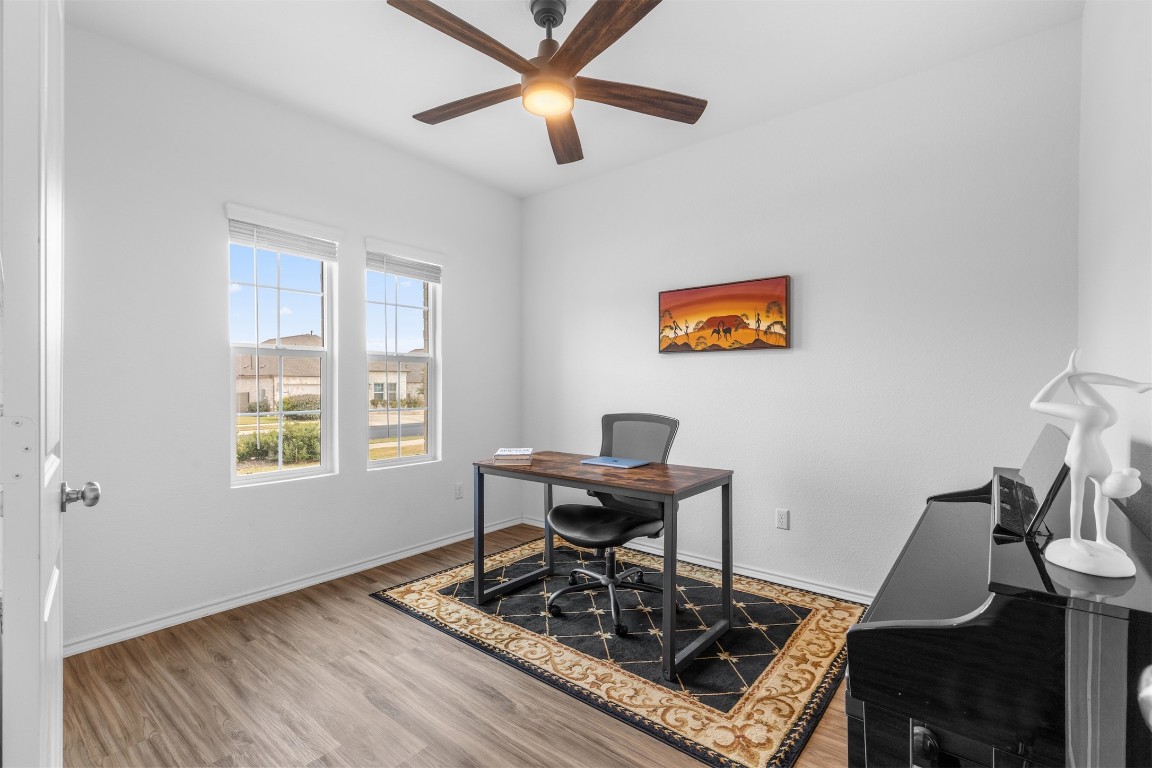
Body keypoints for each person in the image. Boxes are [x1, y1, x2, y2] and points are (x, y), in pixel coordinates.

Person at [1030, 349, 1151, 563]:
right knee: (1075, 379)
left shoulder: (1098, 418)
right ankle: (1079, 539)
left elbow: (1037, 403)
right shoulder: (1091, 416)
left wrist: (1065, 373)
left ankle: (1098, 538)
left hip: (1087, 450)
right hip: (1085, 451)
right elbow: (1035, 404)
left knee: (1075, 379)